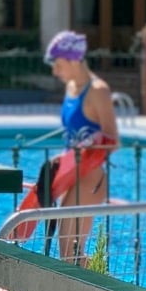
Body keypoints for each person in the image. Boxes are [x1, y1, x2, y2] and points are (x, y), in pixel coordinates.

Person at [42, 30, 119, 265]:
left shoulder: (97, 91)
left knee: (70, 251)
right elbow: (73, 137)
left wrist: (88, 145)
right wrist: (64, 157)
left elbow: (113, 140)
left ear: (72, 60)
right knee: (68, 251)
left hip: (90, 177)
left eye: (58, 64)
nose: (55, 71)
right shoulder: (71, 88)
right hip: (71, 173)